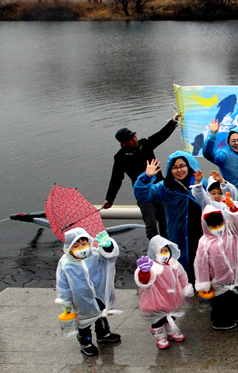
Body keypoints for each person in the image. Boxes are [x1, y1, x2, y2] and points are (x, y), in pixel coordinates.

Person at [102, 116, 180, 239]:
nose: (134, 138)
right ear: (123, 143)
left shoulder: (145, 144)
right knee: (151, 226)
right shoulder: (120, 157)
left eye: (134, 135)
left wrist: (173, 122)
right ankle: (156, 251)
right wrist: (109, 199)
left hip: (160, 189)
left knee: (165, 222)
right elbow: (116, 179)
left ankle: (168, 249)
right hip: (144, 195)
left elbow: (161, 136)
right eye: (130, 138)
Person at [134, 152, 205, 281]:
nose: (179, 170)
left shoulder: (200, 182)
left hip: (199, 231)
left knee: (202, 259)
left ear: (189, 166)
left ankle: (202, 286)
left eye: (182, 166)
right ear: (169, 169)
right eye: (174, 167)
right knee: (180, 262)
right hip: (178, 232)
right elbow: (144, 196)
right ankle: (185, 287)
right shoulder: (165, 187)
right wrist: (146, 177)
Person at [55, 228, 121, 356]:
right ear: (69, 248)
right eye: (76, 246)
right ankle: (85, 342)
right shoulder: (66, 263)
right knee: (84, 321)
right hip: (81, 299)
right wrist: (65, 301)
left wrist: (108, 246)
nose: (81, 248)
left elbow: (110, 257)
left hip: (98, 294)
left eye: (84, 244)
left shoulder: (95, 254)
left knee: (101, 314)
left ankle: (103, 333)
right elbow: (63, 284)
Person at [194, 196, 238, 330]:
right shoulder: (204, 243)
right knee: (220, 302)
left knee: (236, 298)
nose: (218, 228)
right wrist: (204, 283)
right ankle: (219, 320)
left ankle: (234, 313)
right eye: (213, 226)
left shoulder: (231, 232)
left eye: (219, 224)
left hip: (235, 276)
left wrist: (232, 208)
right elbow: (201, 265)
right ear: (207, 226)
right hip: (217, 280)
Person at [134, 236, 193, 349]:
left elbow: (182, 277)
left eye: (166, 250)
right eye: (160, 251)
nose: (164, 254)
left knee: (170, 315)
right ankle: (160, 337)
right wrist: (144, 273)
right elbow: (145, 283)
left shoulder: (174, 264)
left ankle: (171, 332)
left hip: (172, 298)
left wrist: (186, 290)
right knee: (158, 320)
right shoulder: (152, 267)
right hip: (156, 301)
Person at [203, 119, 238, 200]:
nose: (236, 143)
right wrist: (213, 135)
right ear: (228, 143)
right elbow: (208, 154)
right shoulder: (224, 155)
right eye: (233, 141)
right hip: (229, 198)